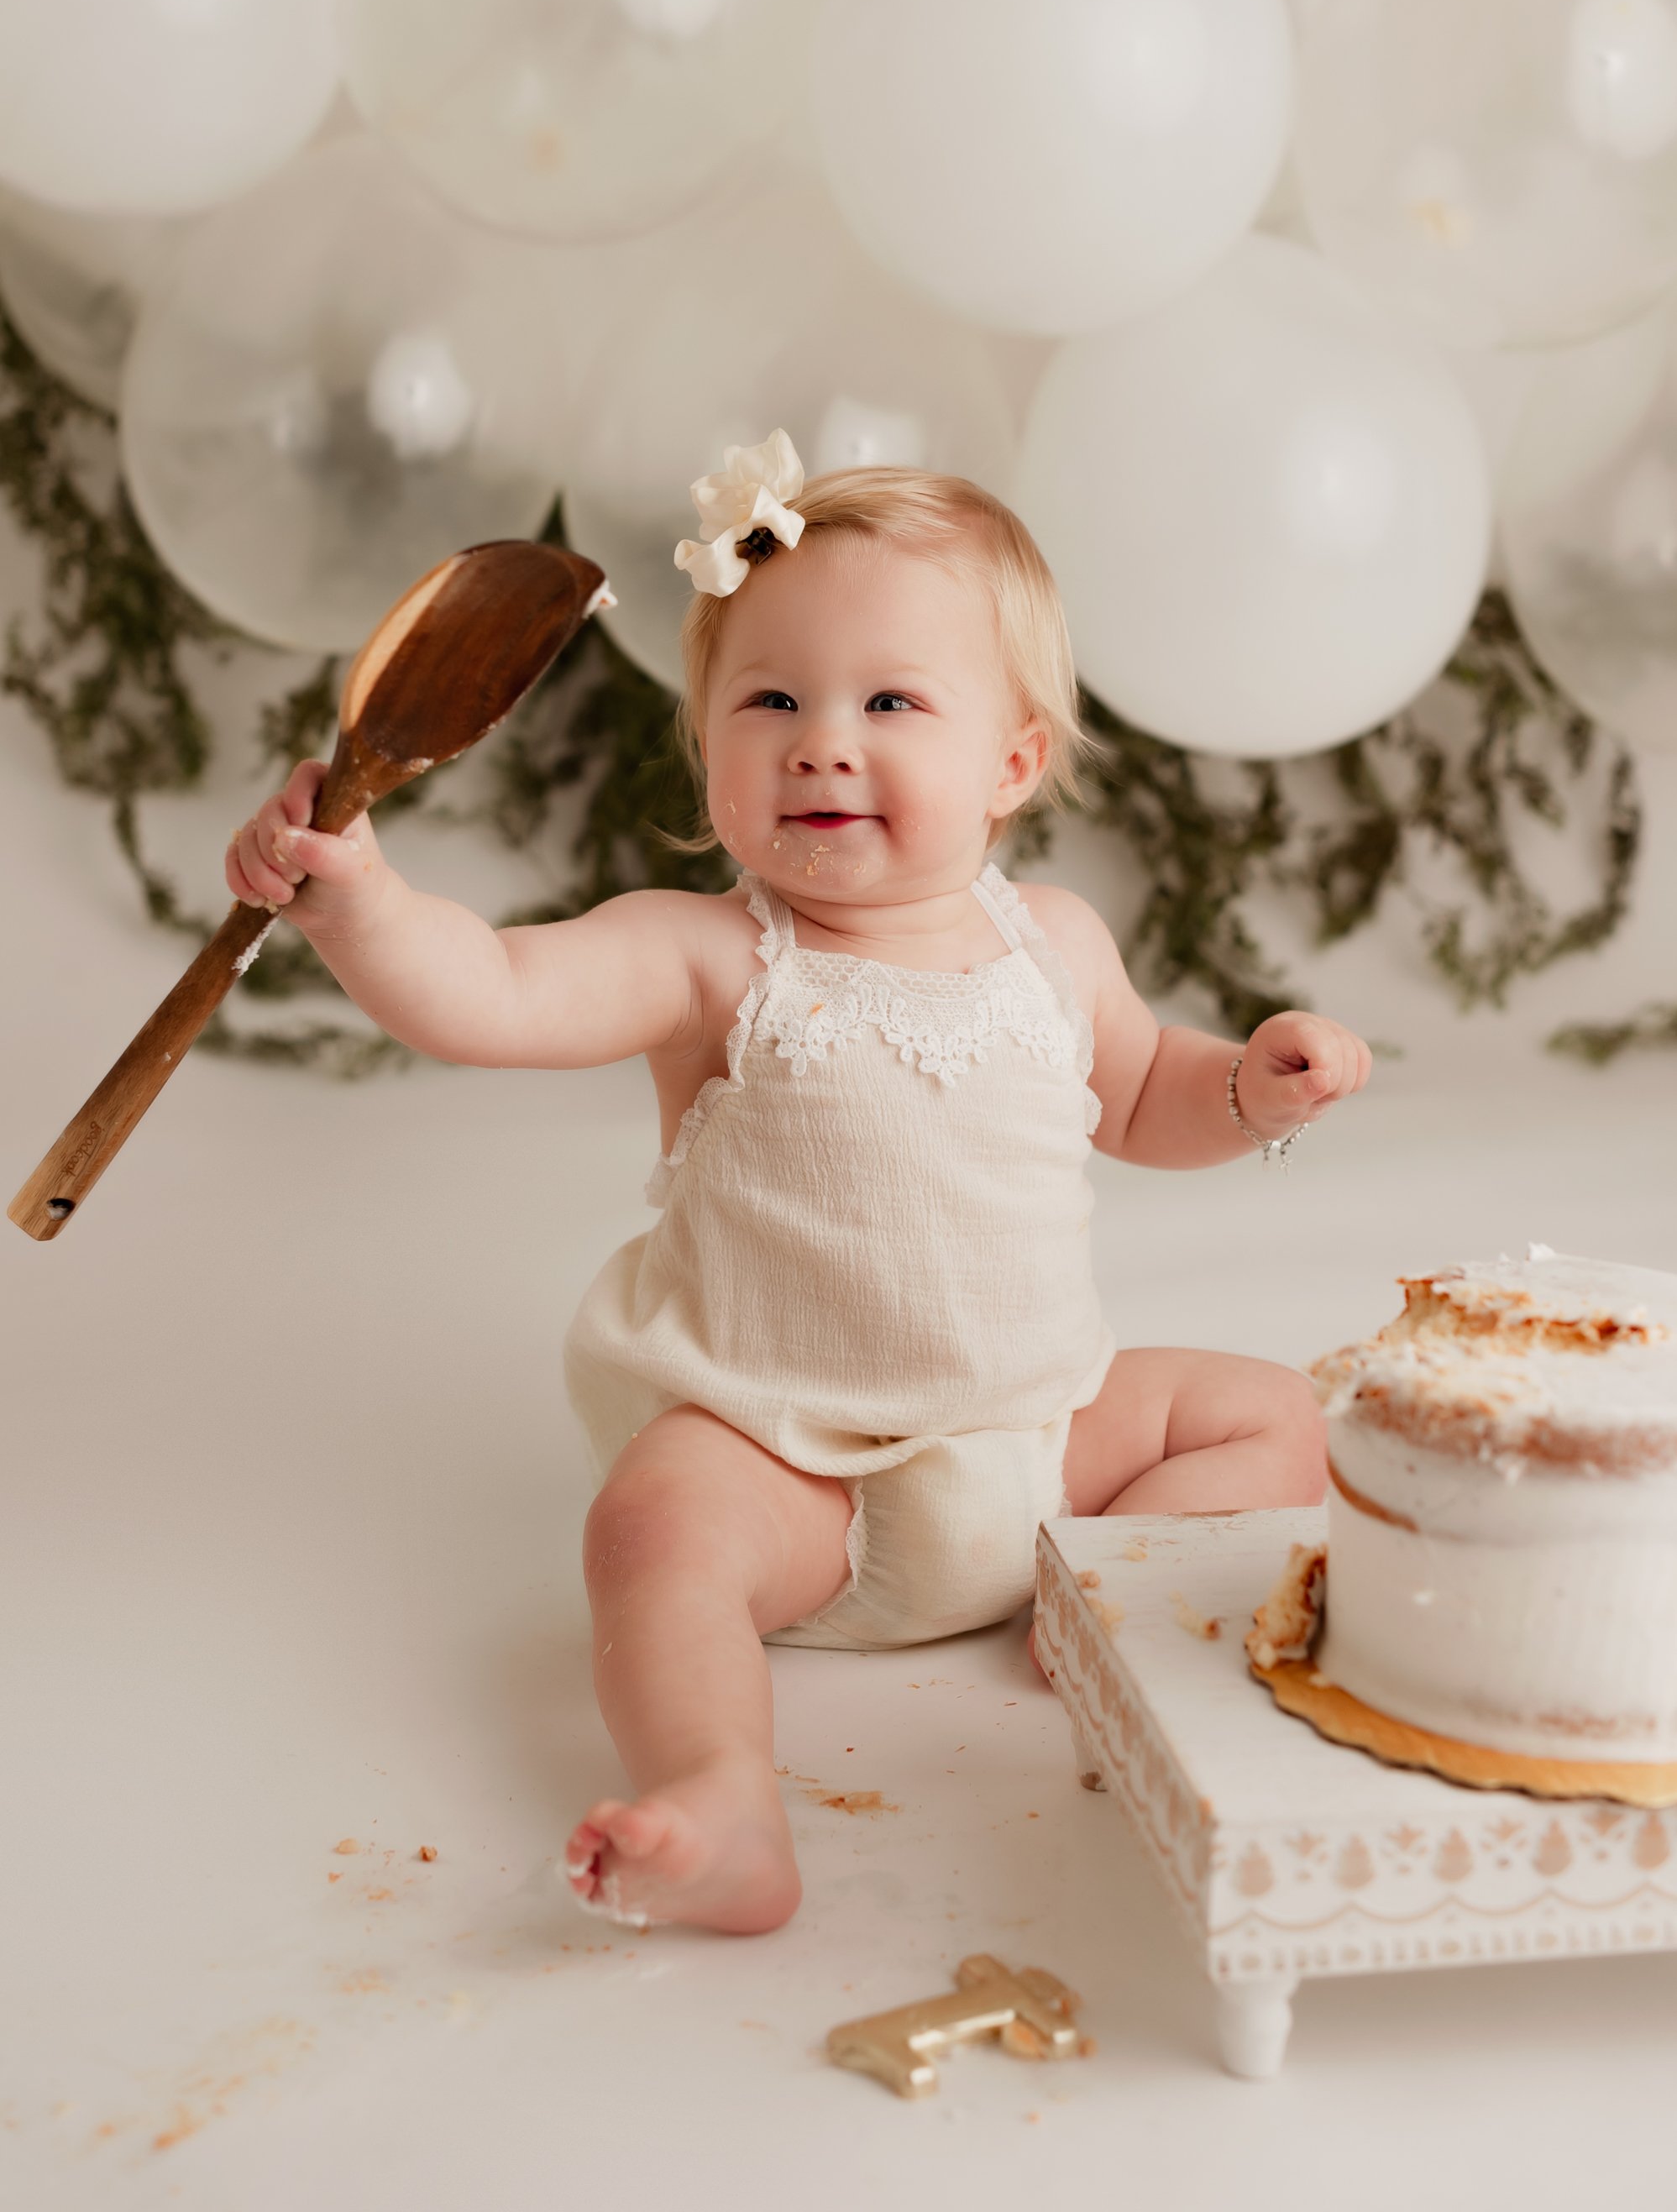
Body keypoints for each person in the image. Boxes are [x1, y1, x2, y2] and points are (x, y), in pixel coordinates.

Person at [228, 432, 1367, 1938]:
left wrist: (1249, 1085)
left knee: (1273, 1416)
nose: (821, 741)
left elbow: (1145, 1090)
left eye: (889, 701)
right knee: (649, 1529)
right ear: (706, 742)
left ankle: (1101, 1608)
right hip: (800, 1477)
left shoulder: (1054, 945)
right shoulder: (708, 957)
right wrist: (359, 897)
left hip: (1040, 1442)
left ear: (1012, 761)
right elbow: (489, 992)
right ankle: (721, 1795)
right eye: (768, 699)